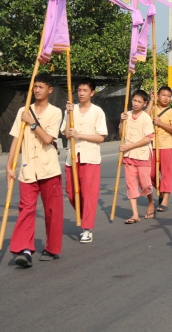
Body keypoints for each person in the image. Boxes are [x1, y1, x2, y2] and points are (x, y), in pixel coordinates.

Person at [6, 73, 64, 267]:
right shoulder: (22, 111)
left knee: (52, 210)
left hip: (49, 168)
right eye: (35, 87)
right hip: (28, 169)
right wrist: (9, 165)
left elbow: (48, 139)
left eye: (41, 87)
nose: (37, 90)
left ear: (50, 90)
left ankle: (52, 248)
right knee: (26, 209)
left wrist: (32, 122)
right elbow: (16, 139)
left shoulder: (55, 112)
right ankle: (24, 249)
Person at [62, 78, 107, 244]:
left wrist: (80, 135)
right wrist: (68, 113)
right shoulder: (71, 109)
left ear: (92, 93)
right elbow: (66, 133)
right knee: (71, 192)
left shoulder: (97, 111)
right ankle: (83, 217)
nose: (81, 93)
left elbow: (101, 137)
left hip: (90, 158)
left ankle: (87, 228)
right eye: (79, 90)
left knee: (89, 195)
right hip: (72, 157)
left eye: (85, 90)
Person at [120, 90, 155, 223]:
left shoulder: (146, 117)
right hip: (128, 155)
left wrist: (130, 146)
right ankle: (135, 215)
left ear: (144, 104)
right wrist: (122, 121)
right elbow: (121, 134)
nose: (136, 103)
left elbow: (148, 139)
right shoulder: (126, 115)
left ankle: (150, 201)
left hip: (142, 154)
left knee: (145, 184)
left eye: (139, 102)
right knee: (131, 184)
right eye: (134, 100)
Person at [148, 86, 172, 213]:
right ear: (158, 96)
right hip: (152, 146)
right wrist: (151, 101)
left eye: (168, 96)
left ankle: (165, 200)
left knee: (167, 174)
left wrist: (161, 123)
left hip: (167, 146)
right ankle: (161, 192)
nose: (166, 98)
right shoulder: (153, 109)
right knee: (150, 174)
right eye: (163, 95)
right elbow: (144, 118)